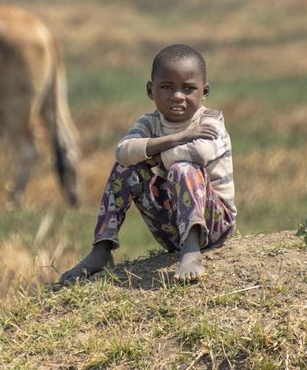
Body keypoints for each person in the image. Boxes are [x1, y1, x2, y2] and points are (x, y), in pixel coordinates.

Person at [60, 44, 236, 285]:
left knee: (183, 168)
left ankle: (192, 250)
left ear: (204, 92)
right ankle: (102, 248)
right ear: (150, 90)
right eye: (166, 87)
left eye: (188, 88)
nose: (177, 96)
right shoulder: (149, 122)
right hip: (171, 228)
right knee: (125, 169)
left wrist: (153, 155)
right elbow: (123, 152)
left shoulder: (211, 121)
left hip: (215, 226)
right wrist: (178, 137)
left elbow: (199, 153)